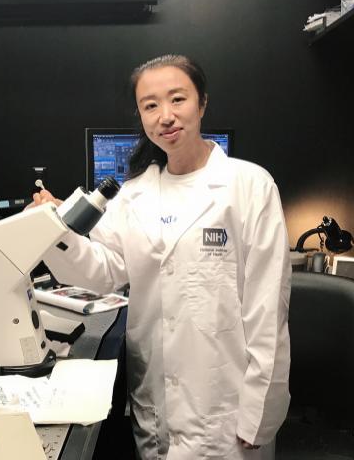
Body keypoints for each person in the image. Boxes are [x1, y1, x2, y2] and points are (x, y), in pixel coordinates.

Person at [33, 54, 291, 459]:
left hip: (225, 408)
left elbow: (267, 310)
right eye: (150, 105)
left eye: (178, 99)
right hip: (155, 401)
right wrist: (52, 230)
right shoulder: (135, 194)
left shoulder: (249, 186)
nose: (165, 116)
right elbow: (103, 272)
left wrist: (260, 414)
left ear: (202, 103)